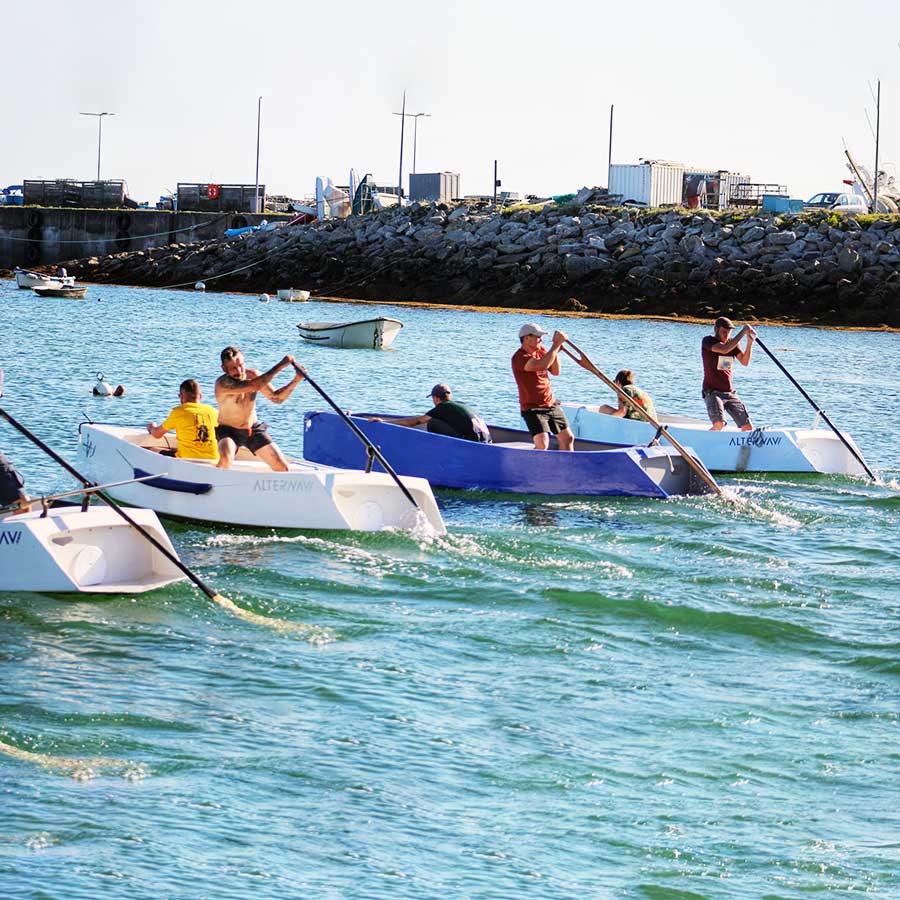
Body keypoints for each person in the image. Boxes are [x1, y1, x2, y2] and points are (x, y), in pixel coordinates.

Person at [215, 346, 306, 471]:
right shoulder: (222, 384)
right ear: (224, 369)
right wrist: (281, 365)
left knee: (282, 467)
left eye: (241, 365)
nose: (239, 371)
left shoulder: (253, 375)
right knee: (226, 458)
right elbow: (254, 386)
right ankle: (217, 482)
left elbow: (277, 398)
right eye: (233, 368)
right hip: (228, 431)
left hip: (252, 430)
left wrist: (296, 380)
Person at [511, 323, 574, 451]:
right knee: (542, 444)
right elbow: (540, 365)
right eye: (538, 336)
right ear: (526, 338)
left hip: (550, 403)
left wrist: (555, 350)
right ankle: (533, 468)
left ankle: (567, 468)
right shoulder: (519, 357)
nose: (541, 339)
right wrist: (555, 345)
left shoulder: (542, 351)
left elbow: (555, 371)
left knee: (568, 438)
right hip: (533, 408)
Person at [370, 384, 491, 442]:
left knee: (432, 422)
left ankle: (438, 449)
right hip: (486, 441)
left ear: (436, 398)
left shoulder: (442, 407)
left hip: (472, 442)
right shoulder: (461, 405)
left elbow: (416, 421)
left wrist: (385, 422)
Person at [701, 316, 756, 431]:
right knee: (719, 424)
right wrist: (743, 331)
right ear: (716, 329)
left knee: (748, 427)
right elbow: (724, 349)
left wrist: (749, 342)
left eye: (729, 332)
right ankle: (706, 444)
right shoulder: (708, 341)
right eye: (724, 332)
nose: (726, 335)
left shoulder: (733, 344)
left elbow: (745, 361)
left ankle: (744, 448)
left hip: (730, 393)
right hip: (712, 392)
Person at [147, 379, 220, 461]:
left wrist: (152, 428)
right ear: (200, 396)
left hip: (187, 460)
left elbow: (157, 434)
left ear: (181, 396)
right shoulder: (213, 412)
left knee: (152, 450)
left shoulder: (178, 412)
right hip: (213, 459)